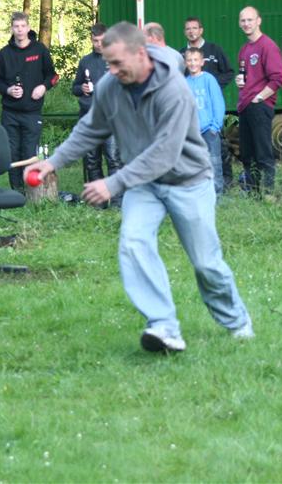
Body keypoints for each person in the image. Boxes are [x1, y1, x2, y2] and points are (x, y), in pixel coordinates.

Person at [24, 22, 253, 353]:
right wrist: (53, 162)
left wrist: (114, 182)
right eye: (108, 63)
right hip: (144, 184)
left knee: (206, 263)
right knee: (133, 243)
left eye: (118, 63)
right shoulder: (111, 85)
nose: (112, 71)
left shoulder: (174, 90)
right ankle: (164, 325)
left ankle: (237, 321)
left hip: (188, 181)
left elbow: (165, 153)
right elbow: (91, 128)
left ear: (141, 54)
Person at [0, 12, 59, 191]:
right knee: (12, 153)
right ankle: (16, 191)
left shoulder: (39, 50)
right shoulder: (4, 54)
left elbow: (53, 76)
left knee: (29, 153)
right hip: (10, 113)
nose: (20, 30)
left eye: (23, 26)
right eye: (16, 26)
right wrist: (8, 90)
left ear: (28, 28)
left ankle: (31, 192)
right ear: (12, 29)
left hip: (32, 113)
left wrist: (43, 87)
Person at [180, 16, 235, 190]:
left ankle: (222, 186)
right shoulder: (182, 55)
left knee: (217, 156)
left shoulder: (214, 50)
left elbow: (229, 73)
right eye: (188, 29)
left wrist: (213, 88)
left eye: (194, 28)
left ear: (201, 30)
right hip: (192, 127)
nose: (191, 31)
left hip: (210, 121)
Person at [235, 6, 282, 195]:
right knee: (247, 154)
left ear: (259, 21)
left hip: (259, 106)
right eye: (243, 20)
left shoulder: (267, 46)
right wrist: (240, 81)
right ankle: (253, 193)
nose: (246, 24)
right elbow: (248, 76)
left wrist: (259, 97)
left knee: (263, 153)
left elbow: (278, 78)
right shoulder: (244, 49)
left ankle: (269, 192)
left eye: (250, 20)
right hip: (245, 106)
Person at [72, 23, 122, 207]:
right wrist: (82, 88)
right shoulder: (85, 61)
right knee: (92, 161)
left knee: (113, 159)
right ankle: (98, 201)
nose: (99, 44)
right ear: (91, 40)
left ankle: (117, 201)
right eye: (95, 41)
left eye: (102, 40)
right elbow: (75, 88)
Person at [184, 47, 225, 195]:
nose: (192, 63)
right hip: (192, 132)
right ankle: (199, 194)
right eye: (189, 60)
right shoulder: (184, 82)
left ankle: (217, 194)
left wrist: (215, 126)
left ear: (202, 62)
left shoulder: (209, 79)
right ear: (185, 63)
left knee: (214, 162)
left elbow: (218, 103)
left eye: (196, 60)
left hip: (209, 130)